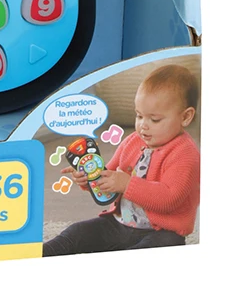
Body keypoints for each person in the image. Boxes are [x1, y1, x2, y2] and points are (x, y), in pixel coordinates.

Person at [44, 64, 200, 255]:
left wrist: (127, 184)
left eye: (155, 119)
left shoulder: (185, 153)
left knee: (164, 244)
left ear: (185, 117)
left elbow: (170, 199)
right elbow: (107, 178)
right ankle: (41, 253)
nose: (143, 125)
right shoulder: (132, 141)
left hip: (161, 232)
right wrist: (88, 179)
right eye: (139, 116)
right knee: (77, 232)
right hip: (119, 224)